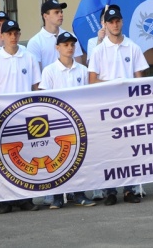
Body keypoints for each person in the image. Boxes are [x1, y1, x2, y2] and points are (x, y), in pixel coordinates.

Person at [89, 5, 149, 205]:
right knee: (109, 150)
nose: (115, 25)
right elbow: (92, 81)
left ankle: (130, 189)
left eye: (117, 21)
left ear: (122, 22)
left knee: (129, 149)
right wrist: (114, 84)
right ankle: (110, 191)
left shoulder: (132, 47)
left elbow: (139, 78)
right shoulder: (98, 50)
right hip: (107, 107)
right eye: (111, 22)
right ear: (105, 25)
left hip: (129, 106)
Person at [0, 20, 41, 214]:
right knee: (5, 159)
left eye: (16, 33)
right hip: (4, 117)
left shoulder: (29, 57)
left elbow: (37, 87)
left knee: (26, 158)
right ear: (1, 36)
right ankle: (6, 200)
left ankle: (26, 198)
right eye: (9, 33)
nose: (13, 36)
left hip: (26, 116)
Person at [39, 32, 97, 209]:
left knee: (79, 158)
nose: (69, 48)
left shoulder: (83, 70)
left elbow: (88, 95)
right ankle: (57, 196)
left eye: (72, 45)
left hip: (79, 121)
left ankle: (79, 194)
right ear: (57, 48)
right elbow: (44, 98)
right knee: (58, 159)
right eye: (65, 45)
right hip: (57, 122)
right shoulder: (49, 71)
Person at [26, 0, 82, 70]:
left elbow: (79, 66)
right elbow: (35, 71)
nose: (61, 15)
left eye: (61, 12)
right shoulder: (35, 42)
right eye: (56, 12)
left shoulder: (72, 37)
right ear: (45, 16)